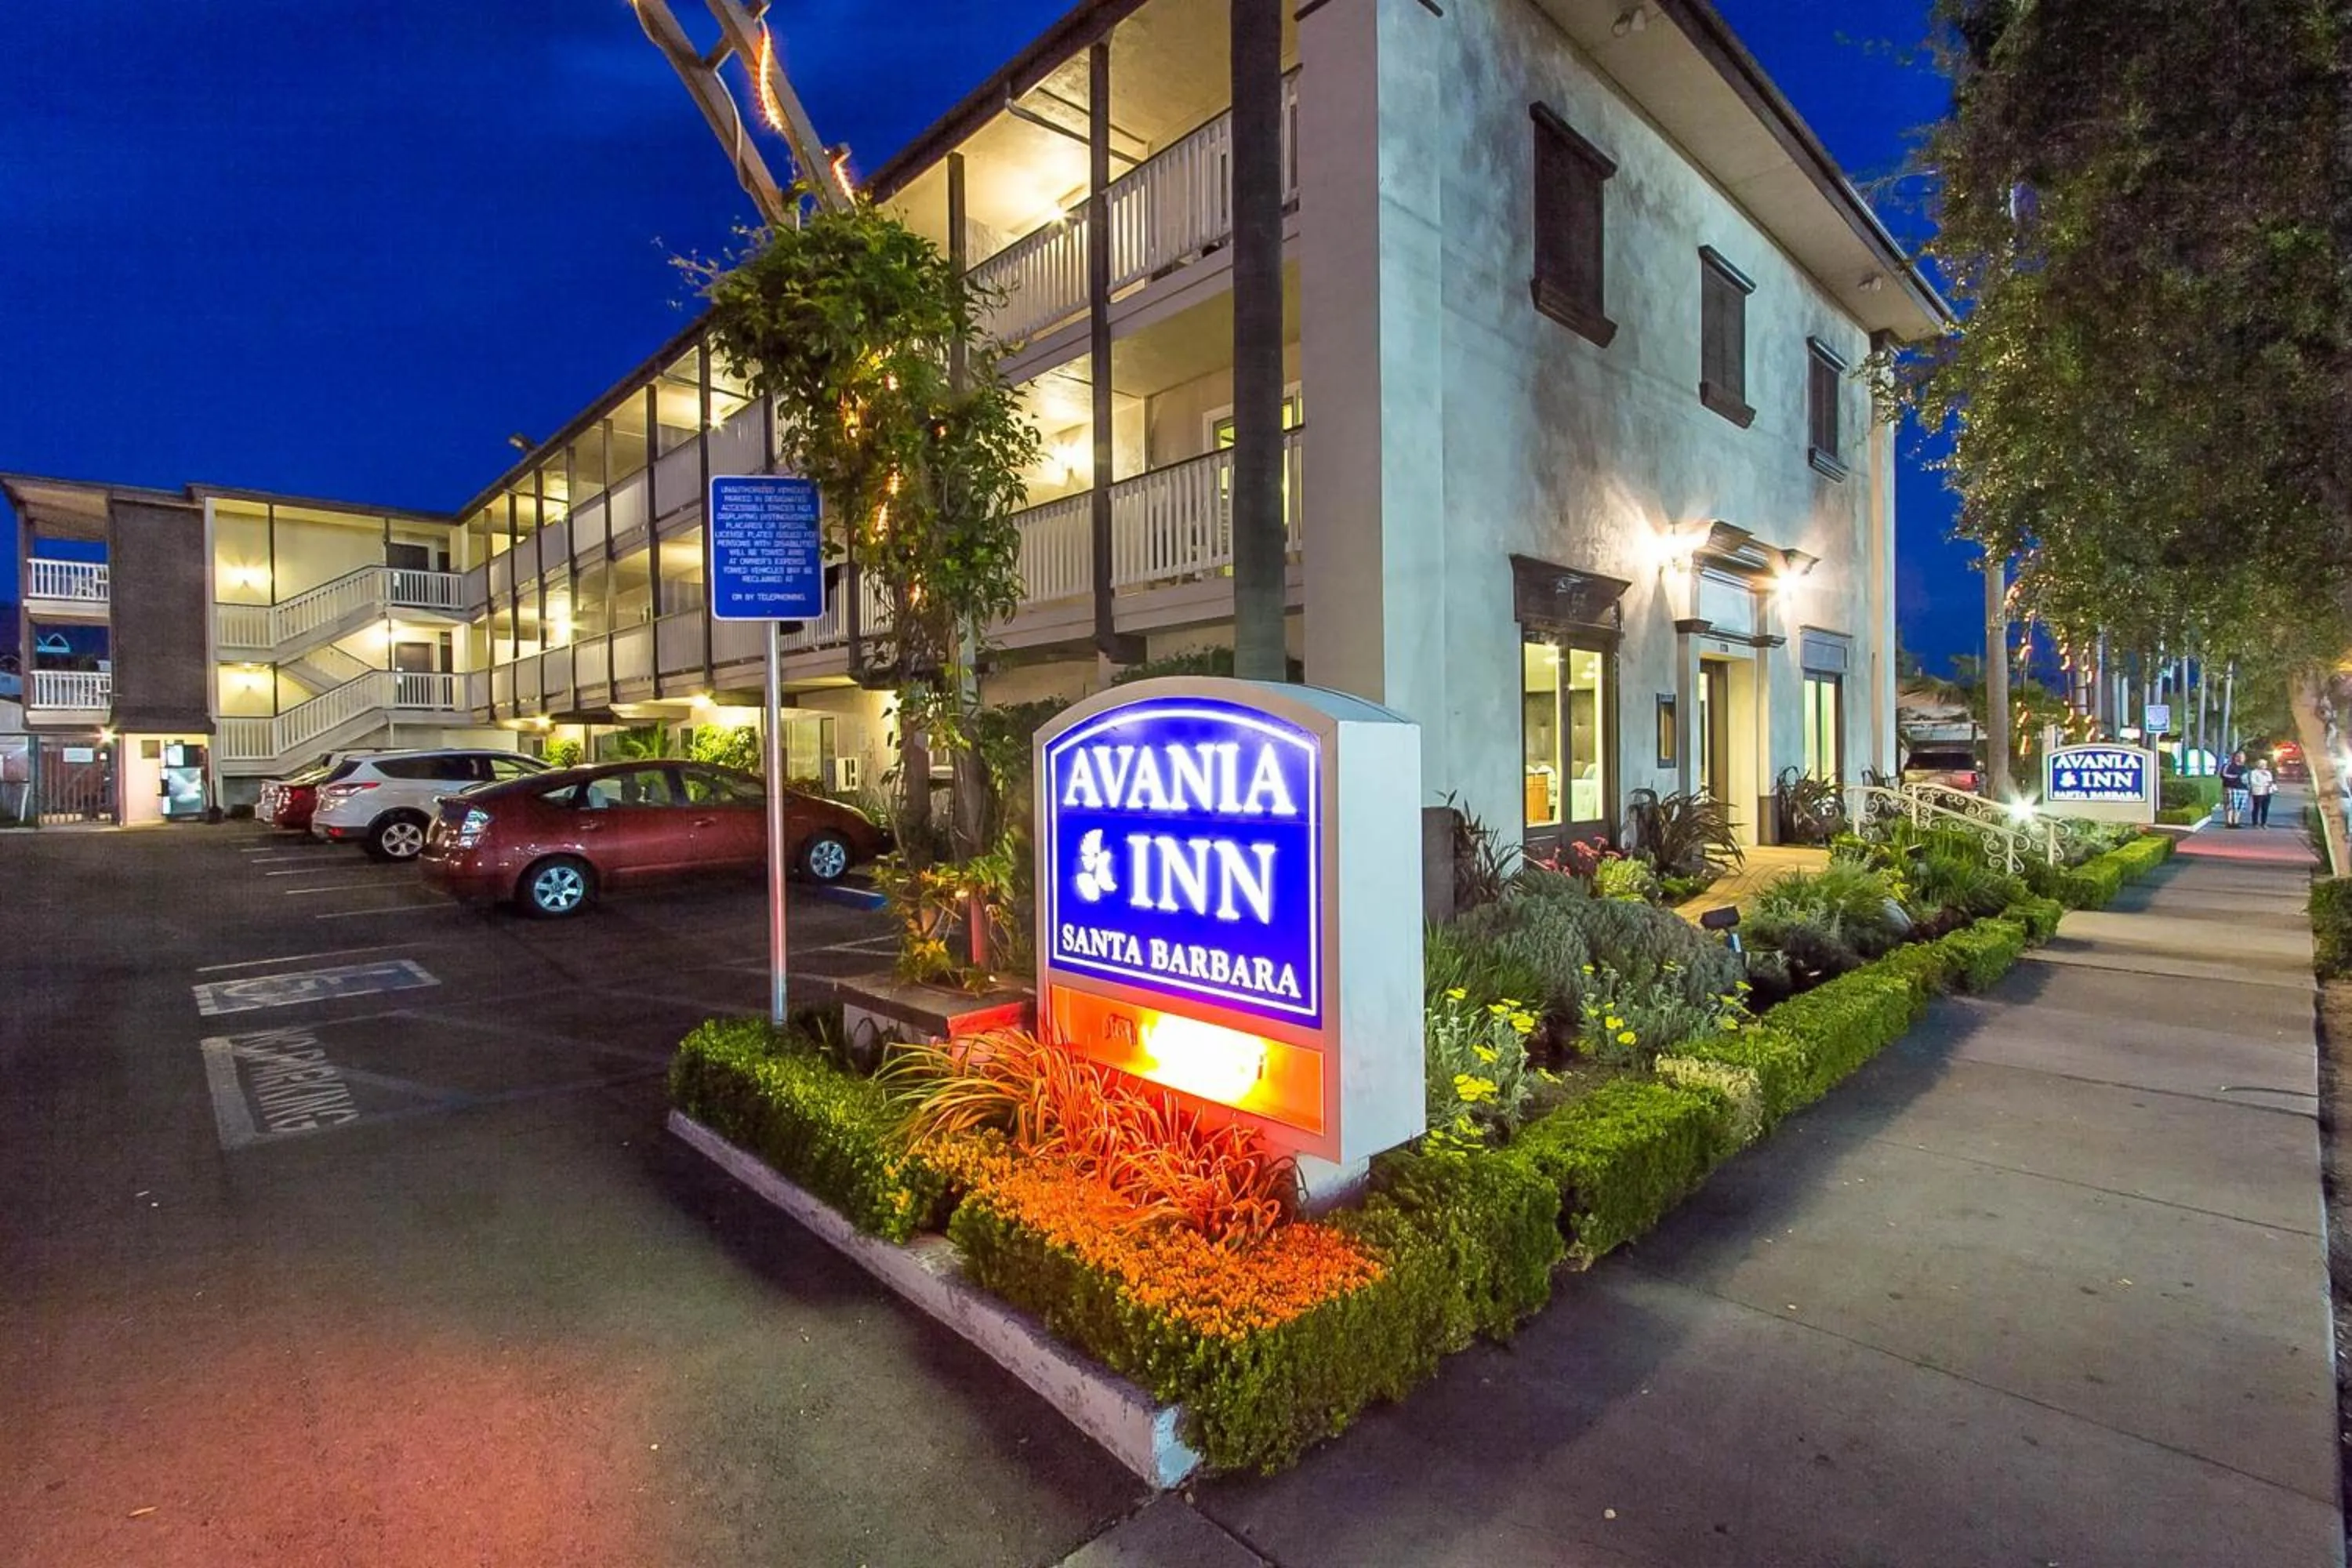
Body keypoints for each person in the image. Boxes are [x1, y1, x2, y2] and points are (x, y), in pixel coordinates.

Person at [2220, 750, 2249, 828]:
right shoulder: (2228, 766)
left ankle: (2236, 822)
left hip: (2243, 789)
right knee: (2230, 805)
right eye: (2239, 756)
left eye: (2243, 756)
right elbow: (2224, 775)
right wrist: (2236, 777)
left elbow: (2246, 778)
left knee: (2239, 807)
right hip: (2231, 788)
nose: (2241, 758)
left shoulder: (2244, 767)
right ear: (2235, 757)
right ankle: (2229, 822)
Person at [2247, 755, 2277, 828]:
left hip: (2267, 792)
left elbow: (2270, 781)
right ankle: (2255, 823)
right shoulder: (2254, 772)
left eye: (2265, 764)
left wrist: (2271, 786)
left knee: (2265, 808)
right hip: (2258, 792)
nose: (2264, 765)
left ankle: (2264, 823)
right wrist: (2263, 784)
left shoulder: (2268, 773)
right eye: (2262, 764)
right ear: (2258, 764)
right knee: (2257, 807)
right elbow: (2253, 782)